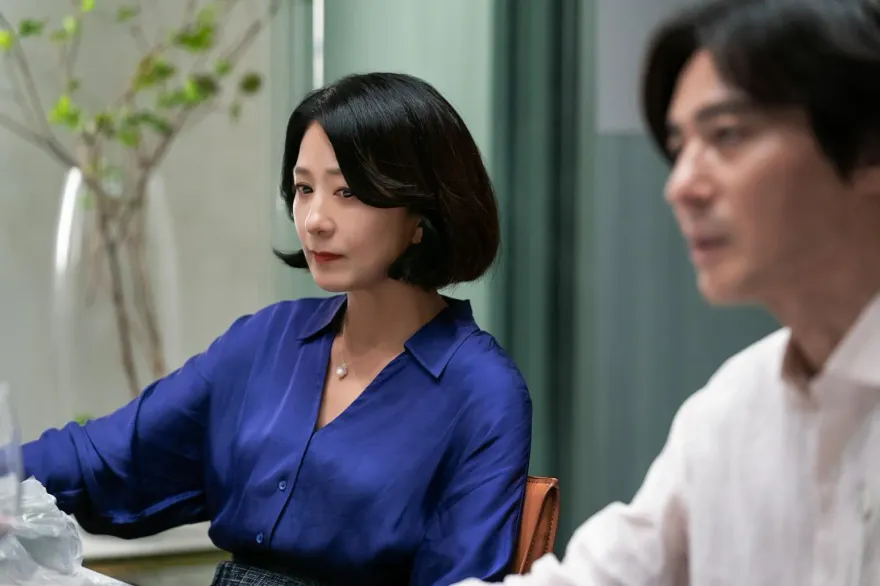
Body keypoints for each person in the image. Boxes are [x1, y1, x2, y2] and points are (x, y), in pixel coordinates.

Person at [23, 72, 533, 586]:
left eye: (347, 191)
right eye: (304, 188)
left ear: (422, 212)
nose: (314, 220)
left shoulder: (482, 391)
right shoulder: (267, 340)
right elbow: (101, 460)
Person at [457, 0, 880, 584]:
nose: (681, 186)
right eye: (680, 148)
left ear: (868, 148)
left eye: (727, 135)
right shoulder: (733, 408)